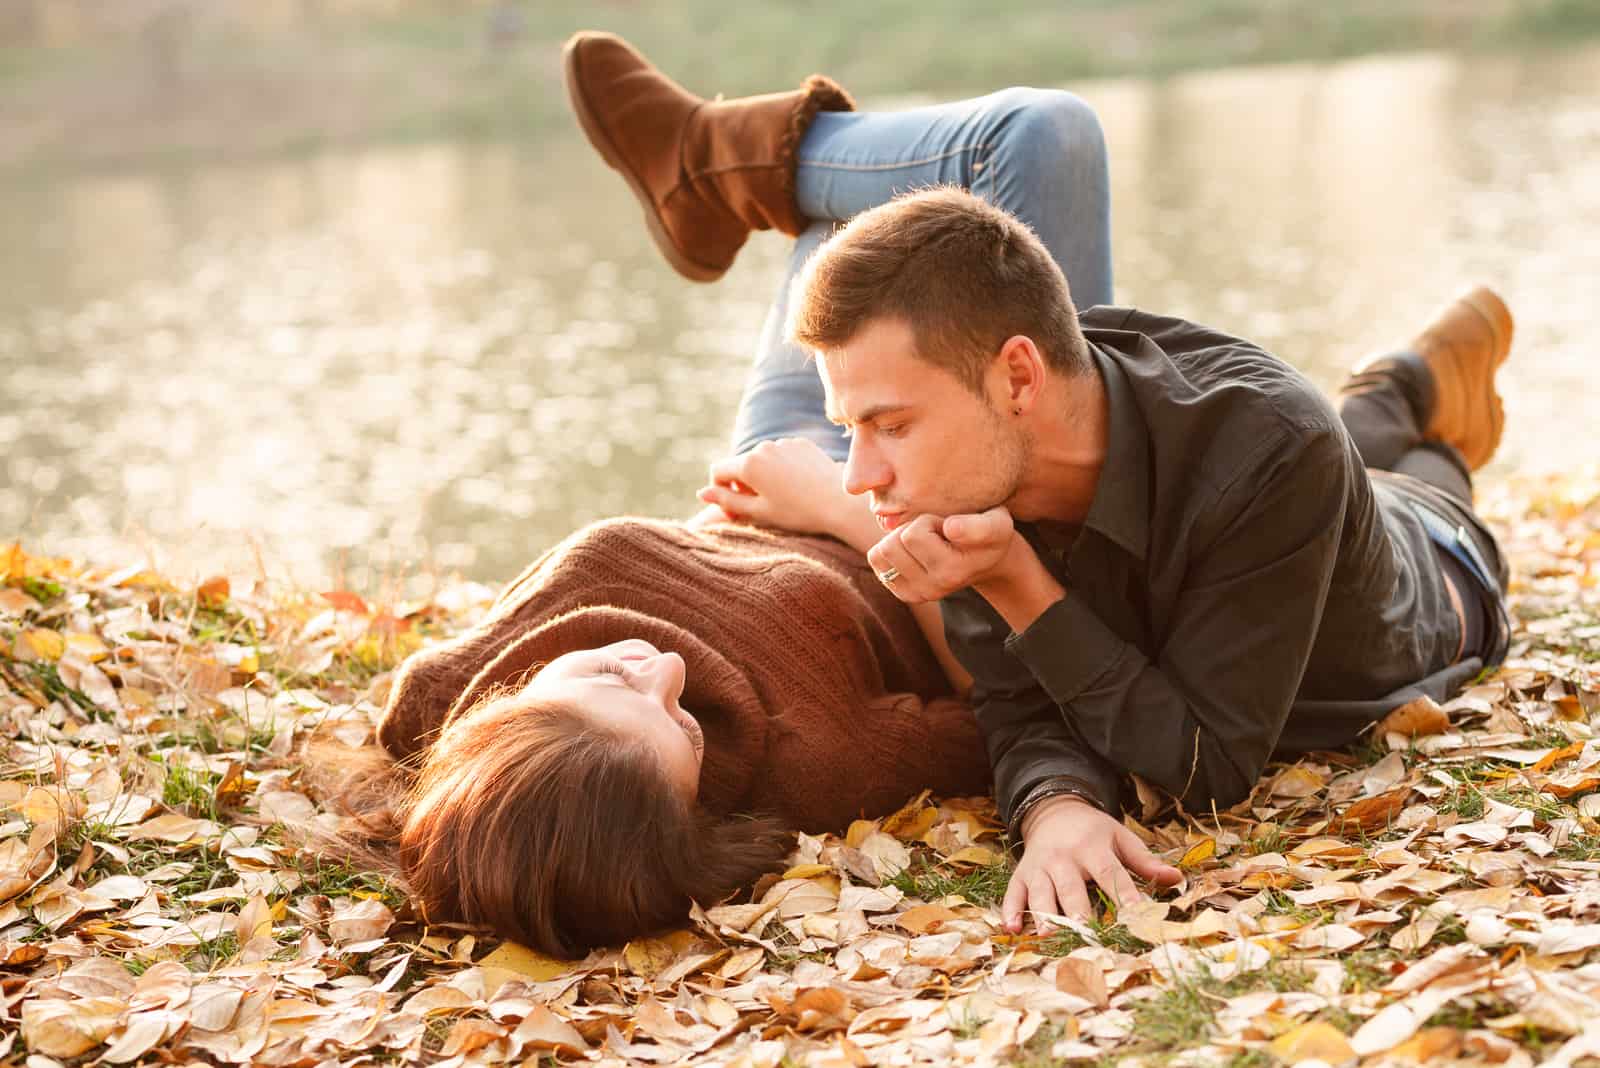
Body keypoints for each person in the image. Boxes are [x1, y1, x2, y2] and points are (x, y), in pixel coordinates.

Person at [562, 33, 1514, 933]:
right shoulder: (982, 464)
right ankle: (1397, 385)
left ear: (1019, 377)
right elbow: (1018, 702)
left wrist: (1018, 582)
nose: (859, 476)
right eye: (852, 429)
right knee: (1350, 443)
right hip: (1304, 504)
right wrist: (1057, 803)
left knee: (1417, 475)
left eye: (890, 424)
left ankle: (1410, 395)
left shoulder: (1266, 448)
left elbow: (1208, 764)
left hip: (1435, 575)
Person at [350, 48, 1124, 958]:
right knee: (1043, 138)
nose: (665, 673)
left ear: (504, 711)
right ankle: (713, 161)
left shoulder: (440, 696)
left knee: (848, 225)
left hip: (784, 445)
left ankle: (718, 166)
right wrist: (847, 516)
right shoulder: (815, 761)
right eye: (682, 729)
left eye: (609, 678)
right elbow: (1015, 694)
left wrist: (789, 478)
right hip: (927, 502)